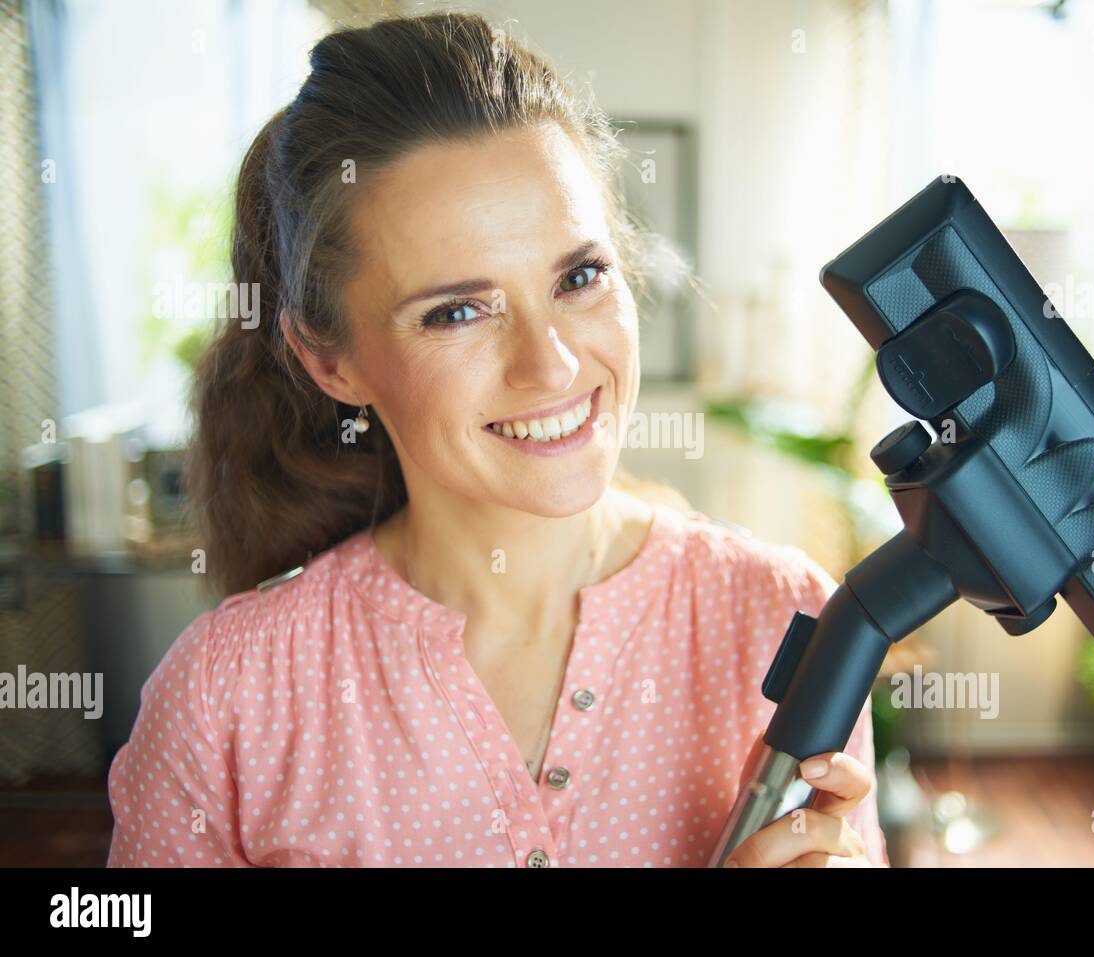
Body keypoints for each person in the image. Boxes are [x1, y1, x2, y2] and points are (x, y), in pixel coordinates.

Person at [106, 10, 886, 868]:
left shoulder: (787, 620)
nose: (549, 365)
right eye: (457, 311)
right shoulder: (227, 695)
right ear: (330, 361)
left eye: (579, 276)